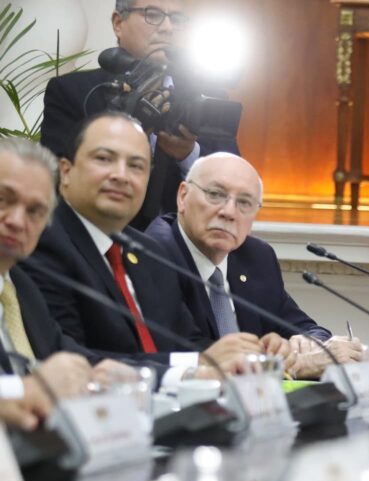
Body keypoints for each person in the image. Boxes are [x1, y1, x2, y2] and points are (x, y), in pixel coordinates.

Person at [22, 111, 262, 382]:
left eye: (136, 166)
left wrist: (252, 355)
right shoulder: (40, 241)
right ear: (65, 171)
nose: (121, 175)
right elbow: (71, 360)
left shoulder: (147, 251)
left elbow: (186, 342)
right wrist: (192, 368)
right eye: (104, 159)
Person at [146, 153, 364, 377]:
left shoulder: (256, 256)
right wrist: (298, 365)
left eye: (244, 202)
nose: (229, 212)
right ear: (183, 196)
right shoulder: (154, 254)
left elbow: (303, 326)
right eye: (215, 194)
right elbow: (190, 353)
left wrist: (310, 343)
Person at [40, 0, 240, 229]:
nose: (167, 27)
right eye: (152, 14)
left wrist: (188, 155)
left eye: (176, 19)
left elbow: (235, 181)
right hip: (98, 237)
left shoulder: (208, 95)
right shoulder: (75, 91)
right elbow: (55, 178)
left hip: (180, 249)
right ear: (118, 23)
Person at [0, 137, 133, 430]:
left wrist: (110, 374)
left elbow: (76, 359)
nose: (17, 220)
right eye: (3, 199)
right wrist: (25, 389)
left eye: (35, 211)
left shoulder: (21, 287)